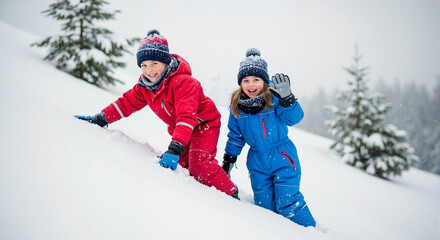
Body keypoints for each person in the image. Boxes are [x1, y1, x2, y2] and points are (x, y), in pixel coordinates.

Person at [75, 29, 239, 199]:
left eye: (154, 63)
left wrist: (175, 147)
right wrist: (101, 118)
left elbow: (186, 116)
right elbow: (125, 104)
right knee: (184, 168)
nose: (149, 70)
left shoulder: (184, 82)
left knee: (199, 165)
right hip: (181, 129)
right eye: (144, 65)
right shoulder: (145, 87)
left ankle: (231, 193)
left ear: (166, 62)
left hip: (203, 124)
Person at [221, 48, 316, 226]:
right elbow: (235, 136)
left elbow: (293, 119)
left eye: (256, 80)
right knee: (265, 210)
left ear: (264, 81)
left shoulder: (274, 99)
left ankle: (310, 233)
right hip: (257, 163)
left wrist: (288, 100)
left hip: (283, 159)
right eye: (246, 80)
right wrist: (228, 160)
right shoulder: (237, 107)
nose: (251, 85)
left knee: (288, 205)